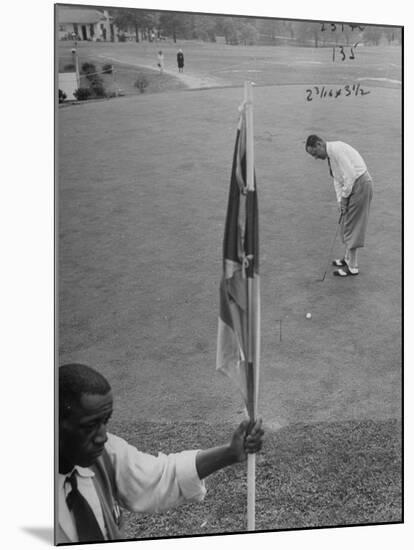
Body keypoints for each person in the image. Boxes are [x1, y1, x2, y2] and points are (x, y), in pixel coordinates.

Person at [57, 363, 264, 543]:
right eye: (89, 426)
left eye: (105, 421)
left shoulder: (106, 454)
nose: (102, 436)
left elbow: (159, 476)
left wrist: (230, 453)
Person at [305, 135, 373, 277]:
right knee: (345, 221)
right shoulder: (330, 156)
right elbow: (337, 179)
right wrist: (340, 201)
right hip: (352, 187)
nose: (316, 158)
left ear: (319, 144)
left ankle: (353, 267)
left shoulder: (337, 149)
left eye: (315, 154)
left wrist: (344, 198)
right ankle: (347, 259)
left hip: (360, 184)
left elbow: (351, 175)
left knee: (352, 225)